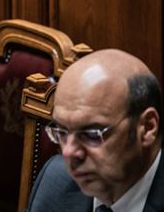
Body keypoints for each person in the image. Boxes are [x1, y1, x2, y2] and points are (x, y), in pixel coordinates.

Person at [26, 49, 164, 211]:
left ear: (147, 127)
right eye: (61, 132)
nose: (69, 153)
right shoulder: (55, 182)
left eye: (91, 134)